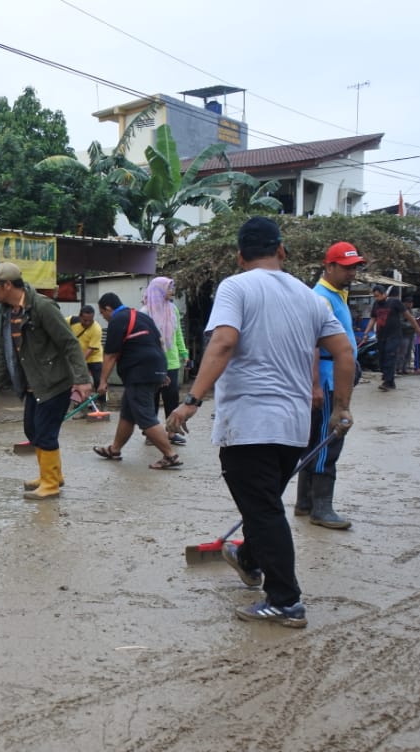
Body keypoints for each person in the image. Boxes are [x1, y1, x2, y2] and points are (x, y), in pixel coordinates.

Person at [165, 217, 354, 629]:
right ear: (281, 250)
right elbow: (345, 354)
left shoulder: (236, 286)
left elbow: (224, 340)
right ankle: (249, 559)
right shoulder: (311, 298)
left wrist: (192, 400)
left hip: (249, 423)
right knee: (264, 504)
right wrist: (342, 407)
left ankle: (286, 601)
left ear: (239, 256)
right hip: (295, 426)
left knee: (264, 510)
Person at [0, 262, 92, 500]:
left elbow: (69, 343)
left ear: (7, 285)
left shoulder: (42, 307)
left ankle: (51, 484)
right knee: (33, 430)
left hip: (54, 382)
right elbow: (5, 354)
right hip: (31, 383)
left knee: (45, 433)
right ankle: (50, 475)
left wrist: (83, 379)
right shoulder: (8, 314)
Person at [294, 241, 362, 530]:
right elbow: (311, 346)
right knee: (327, 442)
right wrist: (315, 387)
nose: (352, 273)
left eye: (355, 268)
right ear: (329, 266)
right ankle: (321, 508)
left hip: (334, 380)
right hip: (326, 380)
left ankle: (305, 502)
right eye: (346, 268)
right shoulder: (321, 298)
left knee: (315, 441)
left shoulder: (337, 295)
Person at [92, 291, 182, 469]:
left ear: (108, 308)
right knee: (127, 413)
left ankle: (170, 456)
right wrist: (161, 372)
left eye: (103, 313)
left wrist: (102, 381)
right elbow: (159, 343)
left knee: (145, 417)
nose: (104, 318)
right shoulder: (142, 316)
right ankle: (115, 449)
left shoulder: (118, 320)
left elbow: (110, 355)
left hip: (139, 373)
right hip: (154, 367)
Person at [141, 276, 190, 446]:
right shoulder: (145, 312)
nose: (172, 291)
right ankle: (151, 434)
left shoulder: (172, 309)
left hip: (172, 362)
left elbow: (177, 334)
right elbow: (143, 340)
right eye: (169, 288)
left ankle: (171, 433)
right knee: (151, 399)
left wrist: (184, 353)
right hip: (152, 363)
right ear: (159, 289)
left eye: (172, 287)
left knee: (171, 399)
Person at [364, 284, 419, 390]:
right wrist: (366, 332)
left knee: (390, 356)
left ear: (384, 294)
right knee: (383, 358)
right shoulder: (376, 304)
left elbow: (407, 315)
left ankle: (387, 382)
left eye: (378, 295)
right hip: (381, 336)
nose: (377, 298)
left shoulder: (395, 302)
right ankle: (390, 381)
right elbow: (373, 319)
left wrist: (416, 327)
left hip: (394, 336)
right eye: (375, 296)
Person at [68, 305, 103, 393]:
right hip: (78, 355)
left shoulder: (97, 329)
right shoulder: (72, 321)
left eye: (90, 320)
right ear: (80, 317)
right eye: (85, 320)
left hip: (94, 357)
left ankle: (104, 400)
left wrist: (79, 362)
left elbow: (91, 349)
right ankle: (81, 400)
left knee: (99, 380)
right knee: (79, 381)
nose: (87, 323)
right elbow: (59, 324)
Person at [397, 296, 417, 374]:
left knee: (408, 352)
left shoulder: (411, 311)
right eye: (409, 303)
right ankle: (399, 368)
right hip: (404, 334)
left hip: (411, 334)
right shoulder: (402, 312)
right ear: (405, 303)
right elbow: (400, 323)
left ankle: (405, 368)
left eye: (411, 303)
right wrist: (411, 325)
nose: (411, 304)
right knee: (402, 352)